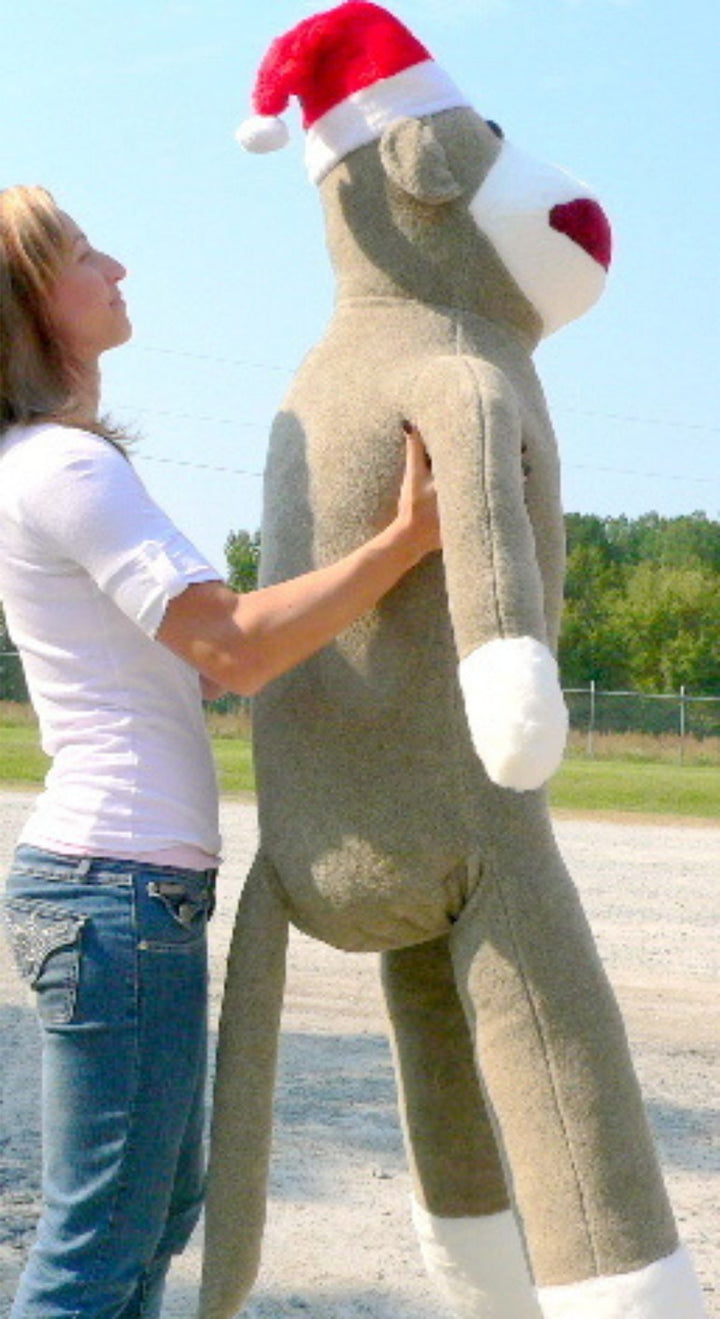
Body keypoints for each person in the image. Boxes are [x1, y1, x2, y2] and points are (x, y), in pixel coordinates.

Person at [0, 183, 441, 1319]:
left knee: (151, 1214)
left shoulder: (44, 464)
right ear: (33, 303)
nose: (121, 267)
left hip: (116, 888)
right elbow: (232, 646)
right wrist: (404, 543)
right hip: (116, 889)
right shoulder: (66, 468)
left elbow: (198, 661)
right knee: (101, 1241)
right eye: (90, 254)